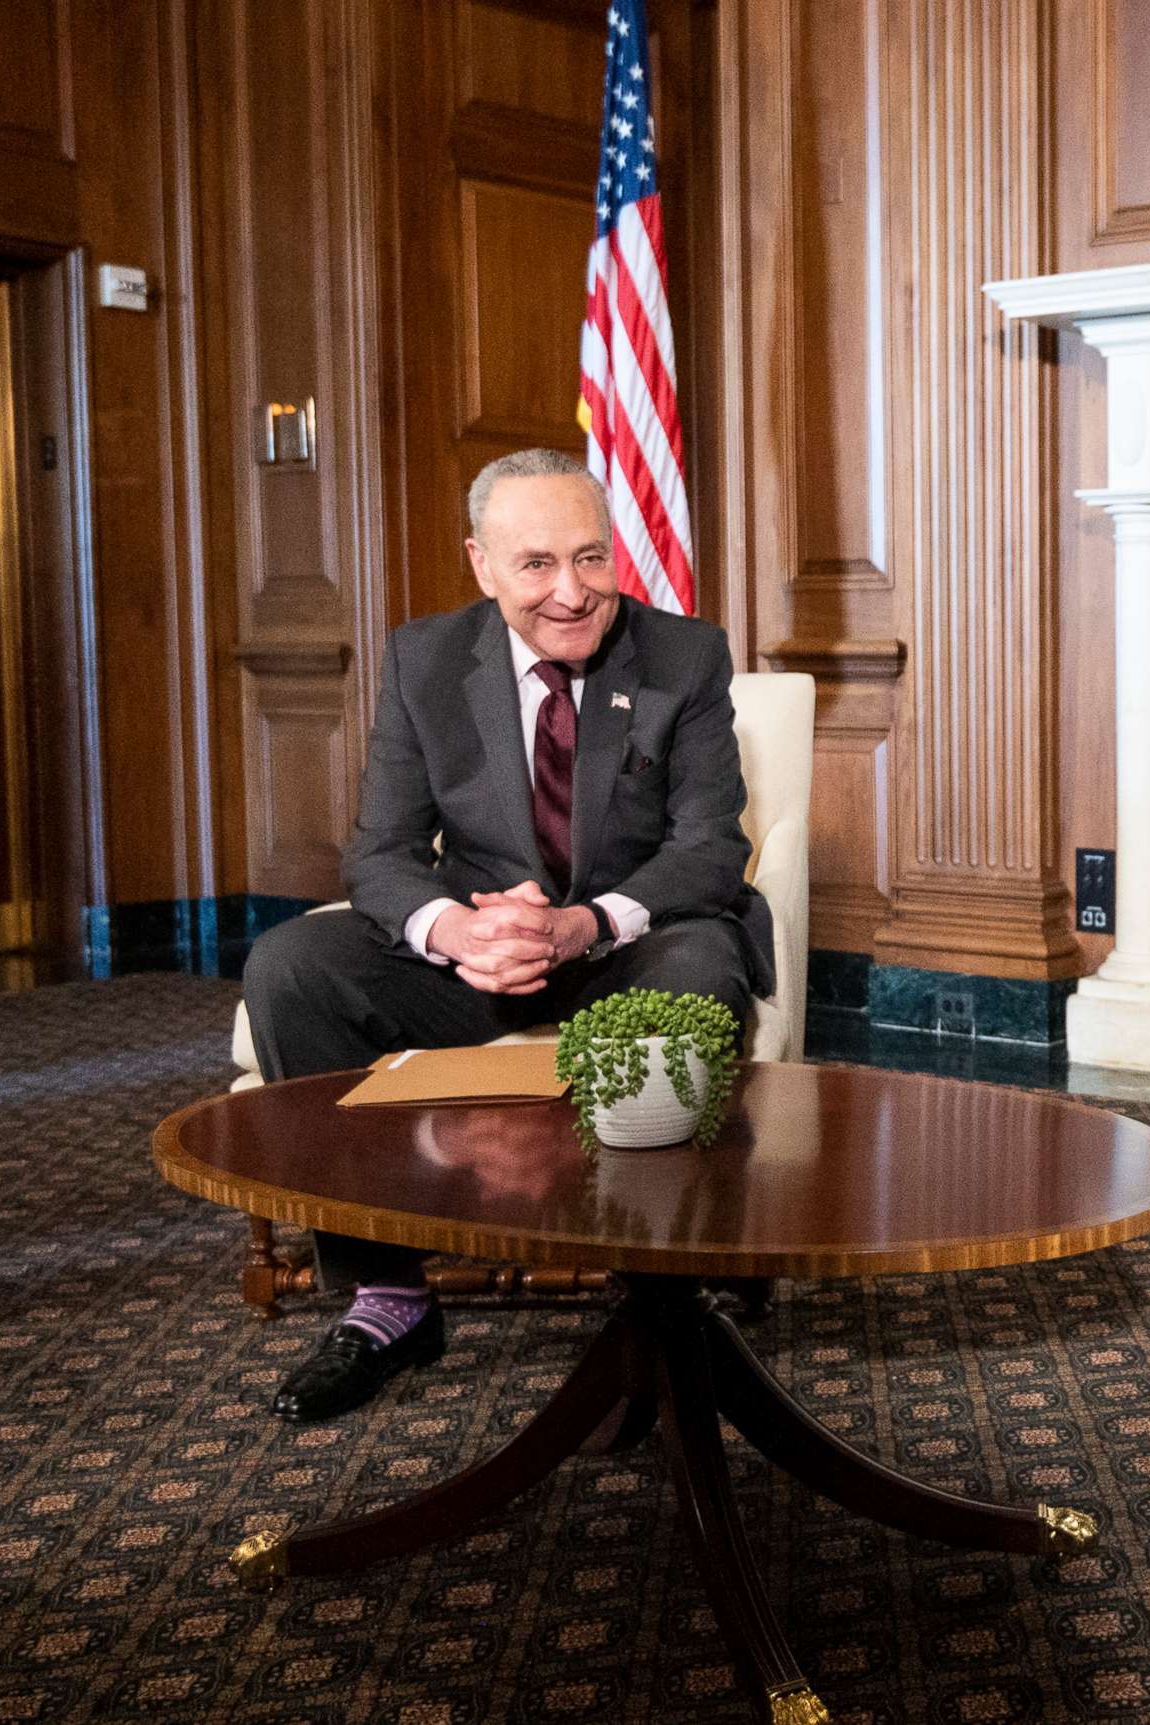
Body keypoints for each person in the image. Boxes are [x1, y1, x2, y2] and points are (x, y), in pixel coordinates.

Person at [241, 448, 771, 1423]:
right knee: (291, 966)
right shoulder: (424, 659)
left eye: (591, 558)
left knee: (704, 969)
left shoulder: (684, 654)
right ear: (482, 565)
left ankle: (655, 1295)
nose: (572, 592)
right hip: (483, 953)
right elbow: (380, 855)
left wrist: (583, 924)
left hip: (633, 943)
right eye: (536, 565)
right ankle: (387, 1299)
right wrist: (453, 931)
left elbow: (708, 850)